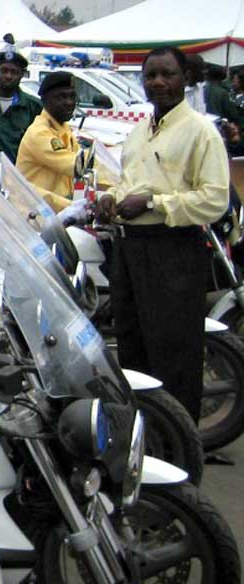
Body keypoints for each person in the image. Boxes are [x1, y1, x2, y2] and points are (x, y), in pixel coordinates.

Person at [96, 45, 229, 421]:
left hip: (173, 252)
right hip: (130, 251)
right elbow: (129, 183)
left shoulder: (201, 132)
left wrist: (154, 205)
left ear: (185, 79)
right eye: (150, 75)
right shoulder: (140, 131)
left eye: (167, 74)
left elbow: (214, 200)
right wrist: (111, 197)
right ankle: (146, 439)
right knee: (134, 351)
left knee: (173, 355)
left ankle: (179, 448)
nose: (157, 82)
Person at [15, 71, 80, 213]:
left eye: (72, 96)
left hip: (54, 209)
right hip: (34, 214)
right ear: (44, 100)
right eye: (61, 97)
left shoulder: (62, 128)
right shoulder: (40, 132)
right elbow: (76, 165)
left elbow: (83, 160)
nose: (69, 103)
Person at [0, 49, 41, 161]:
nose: (8, 76)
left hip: (17, 172)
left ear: (22, 75)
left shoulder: (34, 106)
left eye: (14, 72)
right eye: (4, 71)